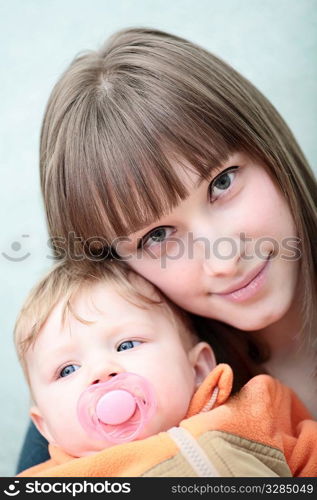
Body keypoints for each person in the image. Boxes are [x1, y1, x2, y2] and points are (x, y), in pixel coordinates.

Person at [17, 26, 317, 471]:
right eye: (156, 237)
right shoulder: (86, 415)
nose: (223, 259)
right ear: (111, 266)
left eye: (222, 183)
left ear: (268, 147)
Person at [15, 261, 317, 477]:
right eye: (67, 370)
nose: (101, 371)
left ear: (198, 369)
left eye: (127, 344)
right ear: (45, 427)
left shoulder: (258, 411)